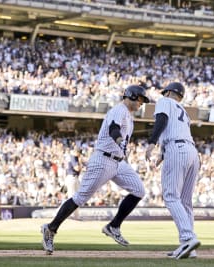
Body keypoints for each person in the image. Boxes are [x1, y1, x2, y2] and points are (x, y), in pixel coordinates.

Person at [41, 85, 150, 255]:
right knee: (80, 197)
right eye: (141, 99)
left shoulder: (129, 116)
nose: (142, 103)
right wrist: (120, 140)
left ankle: (113, 226)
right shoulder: (119, 110)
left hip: (118, 162)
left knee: (139, 190)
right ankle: (50, 228)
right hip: (103, 159)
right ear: (132, 96)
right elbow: (113, 129)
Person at [145, 82, 201, 260]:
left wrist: (152, 143)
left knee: (171, 196)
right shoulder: (183, 111)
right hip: (192, 151)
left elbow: (162, 120)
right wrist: (162, 152)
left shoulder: (164, 101)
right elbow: (174, 129)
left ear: (168, 92)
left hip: (177, 149)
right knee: (185, 202)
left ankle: (188, 238)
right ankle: (189, 248)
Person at [64, 147, 82, 219]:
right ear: (77, 152)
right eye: (79, 153)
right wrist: (80, 164)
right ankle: (70, 215)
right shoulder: (73, 157)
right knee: (71, 198)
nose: (79, 155)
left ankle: (76, 216)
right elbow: (77, 168)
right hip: (72, 178)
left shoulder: (74, 157)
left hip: (74, 178)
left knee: (76, 198)